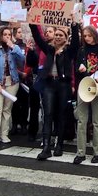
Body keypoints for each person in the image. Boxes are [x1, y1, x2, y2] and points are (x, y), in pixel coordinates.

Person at [31, 21, 78, 161]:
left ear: (65, 37)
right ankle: (46, 148)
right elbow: (38, 38)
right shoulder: (49, 49)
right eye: (56, 34)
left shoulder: (69, 51)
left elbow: (76, 41)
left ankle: (59, 146)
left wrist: (74, 25)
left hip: (63, 85)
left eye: (60, 35)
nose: (57, 37)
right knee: (48, 114)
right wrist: (33, 23)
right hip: (49, 84)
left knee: (61, 115)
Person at [73, 24, 98, 165]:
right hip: (84, 86)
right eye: (85, 36)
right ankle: (81, 152)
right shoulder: (82, 50)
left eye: (89, 35)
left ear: (95, 35)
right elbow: (76, 67)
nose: (87, 38)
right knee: (81, 120)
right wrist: (80, 68)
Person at [0, 26, 24, 146]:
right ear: (0, 36)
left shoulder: (15, 48)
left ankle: (4, 134)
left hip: (12, 82)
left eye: (9, 35)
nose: (7, 37)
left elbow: (22, 62)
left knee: (7, 109)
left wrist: (14, 48)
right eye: (5, 34)